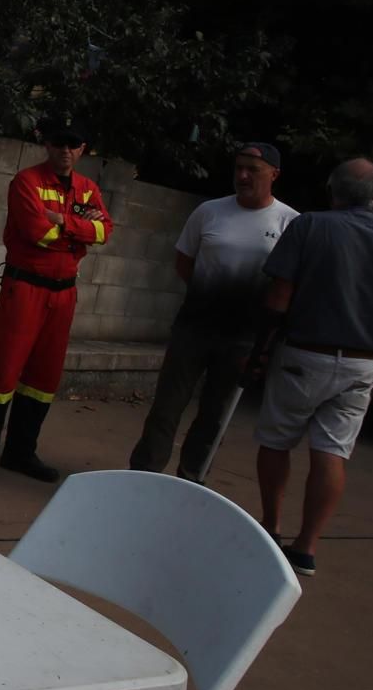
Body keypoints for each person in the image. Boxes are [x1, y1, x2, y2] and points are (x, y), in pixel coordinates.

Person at [243, 158, 373, 577]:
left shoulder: (310, 226)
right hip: (363, 364)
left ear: (332, 190)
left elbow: (279, 295)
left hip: (305, 354)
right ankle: (306, 548)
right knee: (332, 451)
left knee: (277, 439)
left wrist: (259, 351)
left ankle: (270, 527)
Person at [128, 143, 299, 482]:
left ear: (274, 175)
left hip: (243, 337)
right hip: (194, 326)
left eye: (253, 169)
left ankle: (192, 478)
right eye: (238, 168)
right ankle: (144, 475)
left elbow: (289, 284)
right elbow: (184, 261)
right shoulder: (209, 212)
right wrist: (211, 293)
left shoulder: (289, 222)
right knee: (167, 404)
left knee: (215, 413)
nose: (243, 175)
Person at [0, 118, 115, 484]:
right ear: (47, 145)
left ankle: (19, 452)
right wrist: (78, 232)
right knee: (3, 373)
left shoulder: (88, 189)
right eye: (58, 143)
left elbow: (104, 231)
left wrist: (62, 223)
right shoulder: (27, 182)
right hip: (24, 290)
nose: (65, 150)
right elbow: (36, 233)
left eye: (73, 144)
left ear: (82, 149)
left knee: (44, 379)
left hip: (63, 294)